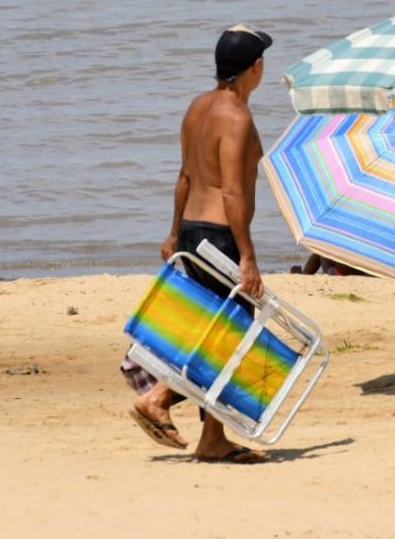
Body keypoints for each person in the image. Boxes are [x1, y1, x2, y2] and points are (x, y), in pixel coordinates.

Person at [128, 24, 274, 464]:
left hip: (193, 229)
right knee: (227, 336)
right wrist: (247, 256)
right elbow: (232, 191)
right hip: (221, 237)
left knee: (214, 332)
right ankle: (157, 397)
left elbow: (186, 176)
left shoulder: (198, 107)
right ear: (256, 67)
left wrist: (174, 233)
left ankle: (214, 439)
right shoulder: (237, 116)